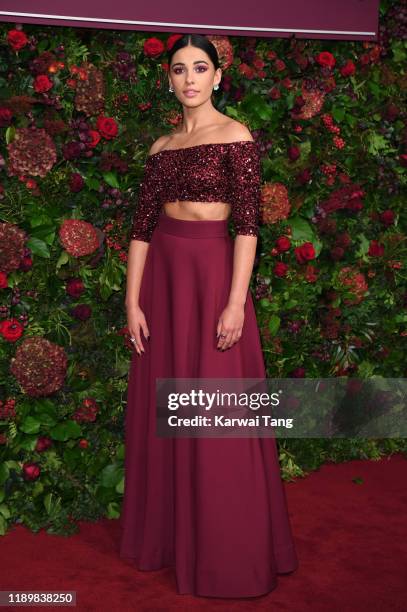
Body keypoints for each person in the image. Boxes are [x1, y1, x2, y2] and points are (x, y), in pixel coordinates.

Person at [119, 33, 299, 598]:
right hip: (164, 283)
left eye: (201, 68)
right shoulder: (161, 147)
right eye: (179, 70)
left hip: (214, 277)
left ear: (219, 76)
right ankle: (170, 542)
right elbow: (141, 229)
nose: (190, 78)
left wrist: (234, 301)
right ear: (168, 80)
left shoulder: (235, 136)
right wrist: (131, 300)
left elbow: (248, 226)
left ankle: (229, 552)